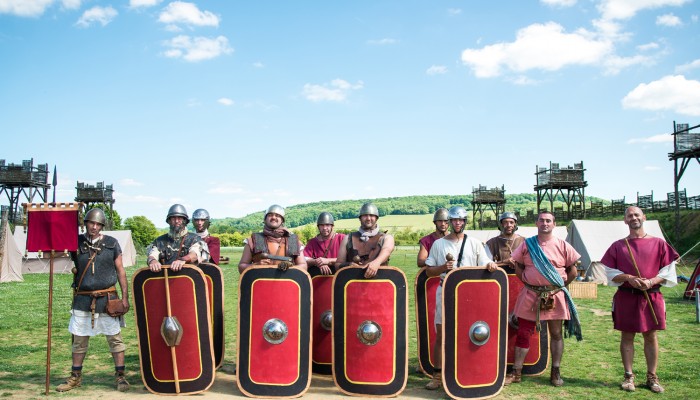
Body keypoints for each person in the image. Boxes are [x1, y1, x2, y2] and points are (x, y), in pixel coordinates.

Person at [601, 206, 679, 393]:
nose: (634, 218)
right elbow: (611, 273)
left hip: (651, 296)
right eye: (630, 216)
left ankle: (652, 377)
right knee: (627, 336)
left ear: (644, 217)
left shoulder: (659, 244)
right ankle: (628, 377)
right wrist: (629, 278)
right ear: (625, 221)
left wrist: (651, 281)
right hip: (627, 297)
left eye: (637, 214)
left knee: (650, 336)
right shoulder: (618, 246)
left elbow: (668, 271)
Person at [424, 205, 498, 390]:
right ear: (449, 222)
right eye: (454, 220)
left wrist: (490, 265)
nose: (457, 223)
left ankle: (466, 372)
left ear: (465, 222)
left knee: (468, 334)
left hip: (469, 297)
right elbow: (428, 271)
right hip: (445, 293)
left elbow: (485, 262)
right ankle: (437, 376)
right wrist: (443, 268)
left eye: (461, 220)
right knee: (441, 334)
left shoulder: (474, 243)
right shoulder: (438, 244)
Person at [505, 211, 582, 387]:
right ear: (536, 223)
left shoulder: (563, 245)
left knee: (556, 333)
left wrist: (558, 287)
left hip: (555, 295)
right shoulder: (527, 244)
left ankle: (555, 371)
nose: (545, 223)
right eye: (541, 220)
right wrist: (529, 283)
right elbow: (518, 267)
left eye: (548, 221)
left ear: (554, 224)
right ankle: (516, 372)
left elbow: (573, 271)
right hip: (531, 294)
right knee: (524, 332)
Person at [57, 208, 130, 392]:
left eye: (98, 224)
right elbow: (58, 244)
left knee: (115, 339)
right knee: (79, 340)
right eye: (91, 223)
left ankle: (120, 376)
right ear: (86, 224)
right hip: (83, 299)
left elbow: (121, 271)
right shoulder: (76, 242)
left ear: (102, 226)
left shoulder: (112, 244)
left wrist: (125, 298)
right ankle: (75, 377)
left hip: (108, 299)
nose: (94, 227)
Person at [238, 204, 307, 273]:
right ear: (265, 219)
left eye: (277, 215)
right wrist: (256, 265)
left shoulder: (293, 241)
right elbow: (241, 266)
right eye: (270, 215)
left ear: (282, 220)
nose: (273, 217)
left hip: (287, 282)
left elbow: (303, 266)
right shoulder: (253, 240)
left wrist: (290, 267)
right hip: (261, 281)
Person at [335, 202, 395, 279]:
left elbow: (386, 250)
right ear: (360, 218)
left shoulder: (386, 238)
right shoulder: (348, 238)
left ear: (376, 218)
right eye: (365, 215)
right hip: (353, 284)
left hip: (379, 284)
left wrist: (377, 262)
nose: (368, 218)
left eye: (371, 215)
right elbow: (338, 264)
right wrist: (348, 265)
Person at [147, 204, 207, 272]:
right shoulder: (159, 241)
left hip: (189, 278)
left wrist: (183, 260)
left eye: (179, 218)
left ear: (184, 220)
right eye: (173, 218)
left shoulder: (195, 239)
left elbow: (194, 254)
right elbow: (152, 255)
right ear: (169, 221)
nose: (176, 221)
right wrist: (153, 261)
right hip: (166, 279)